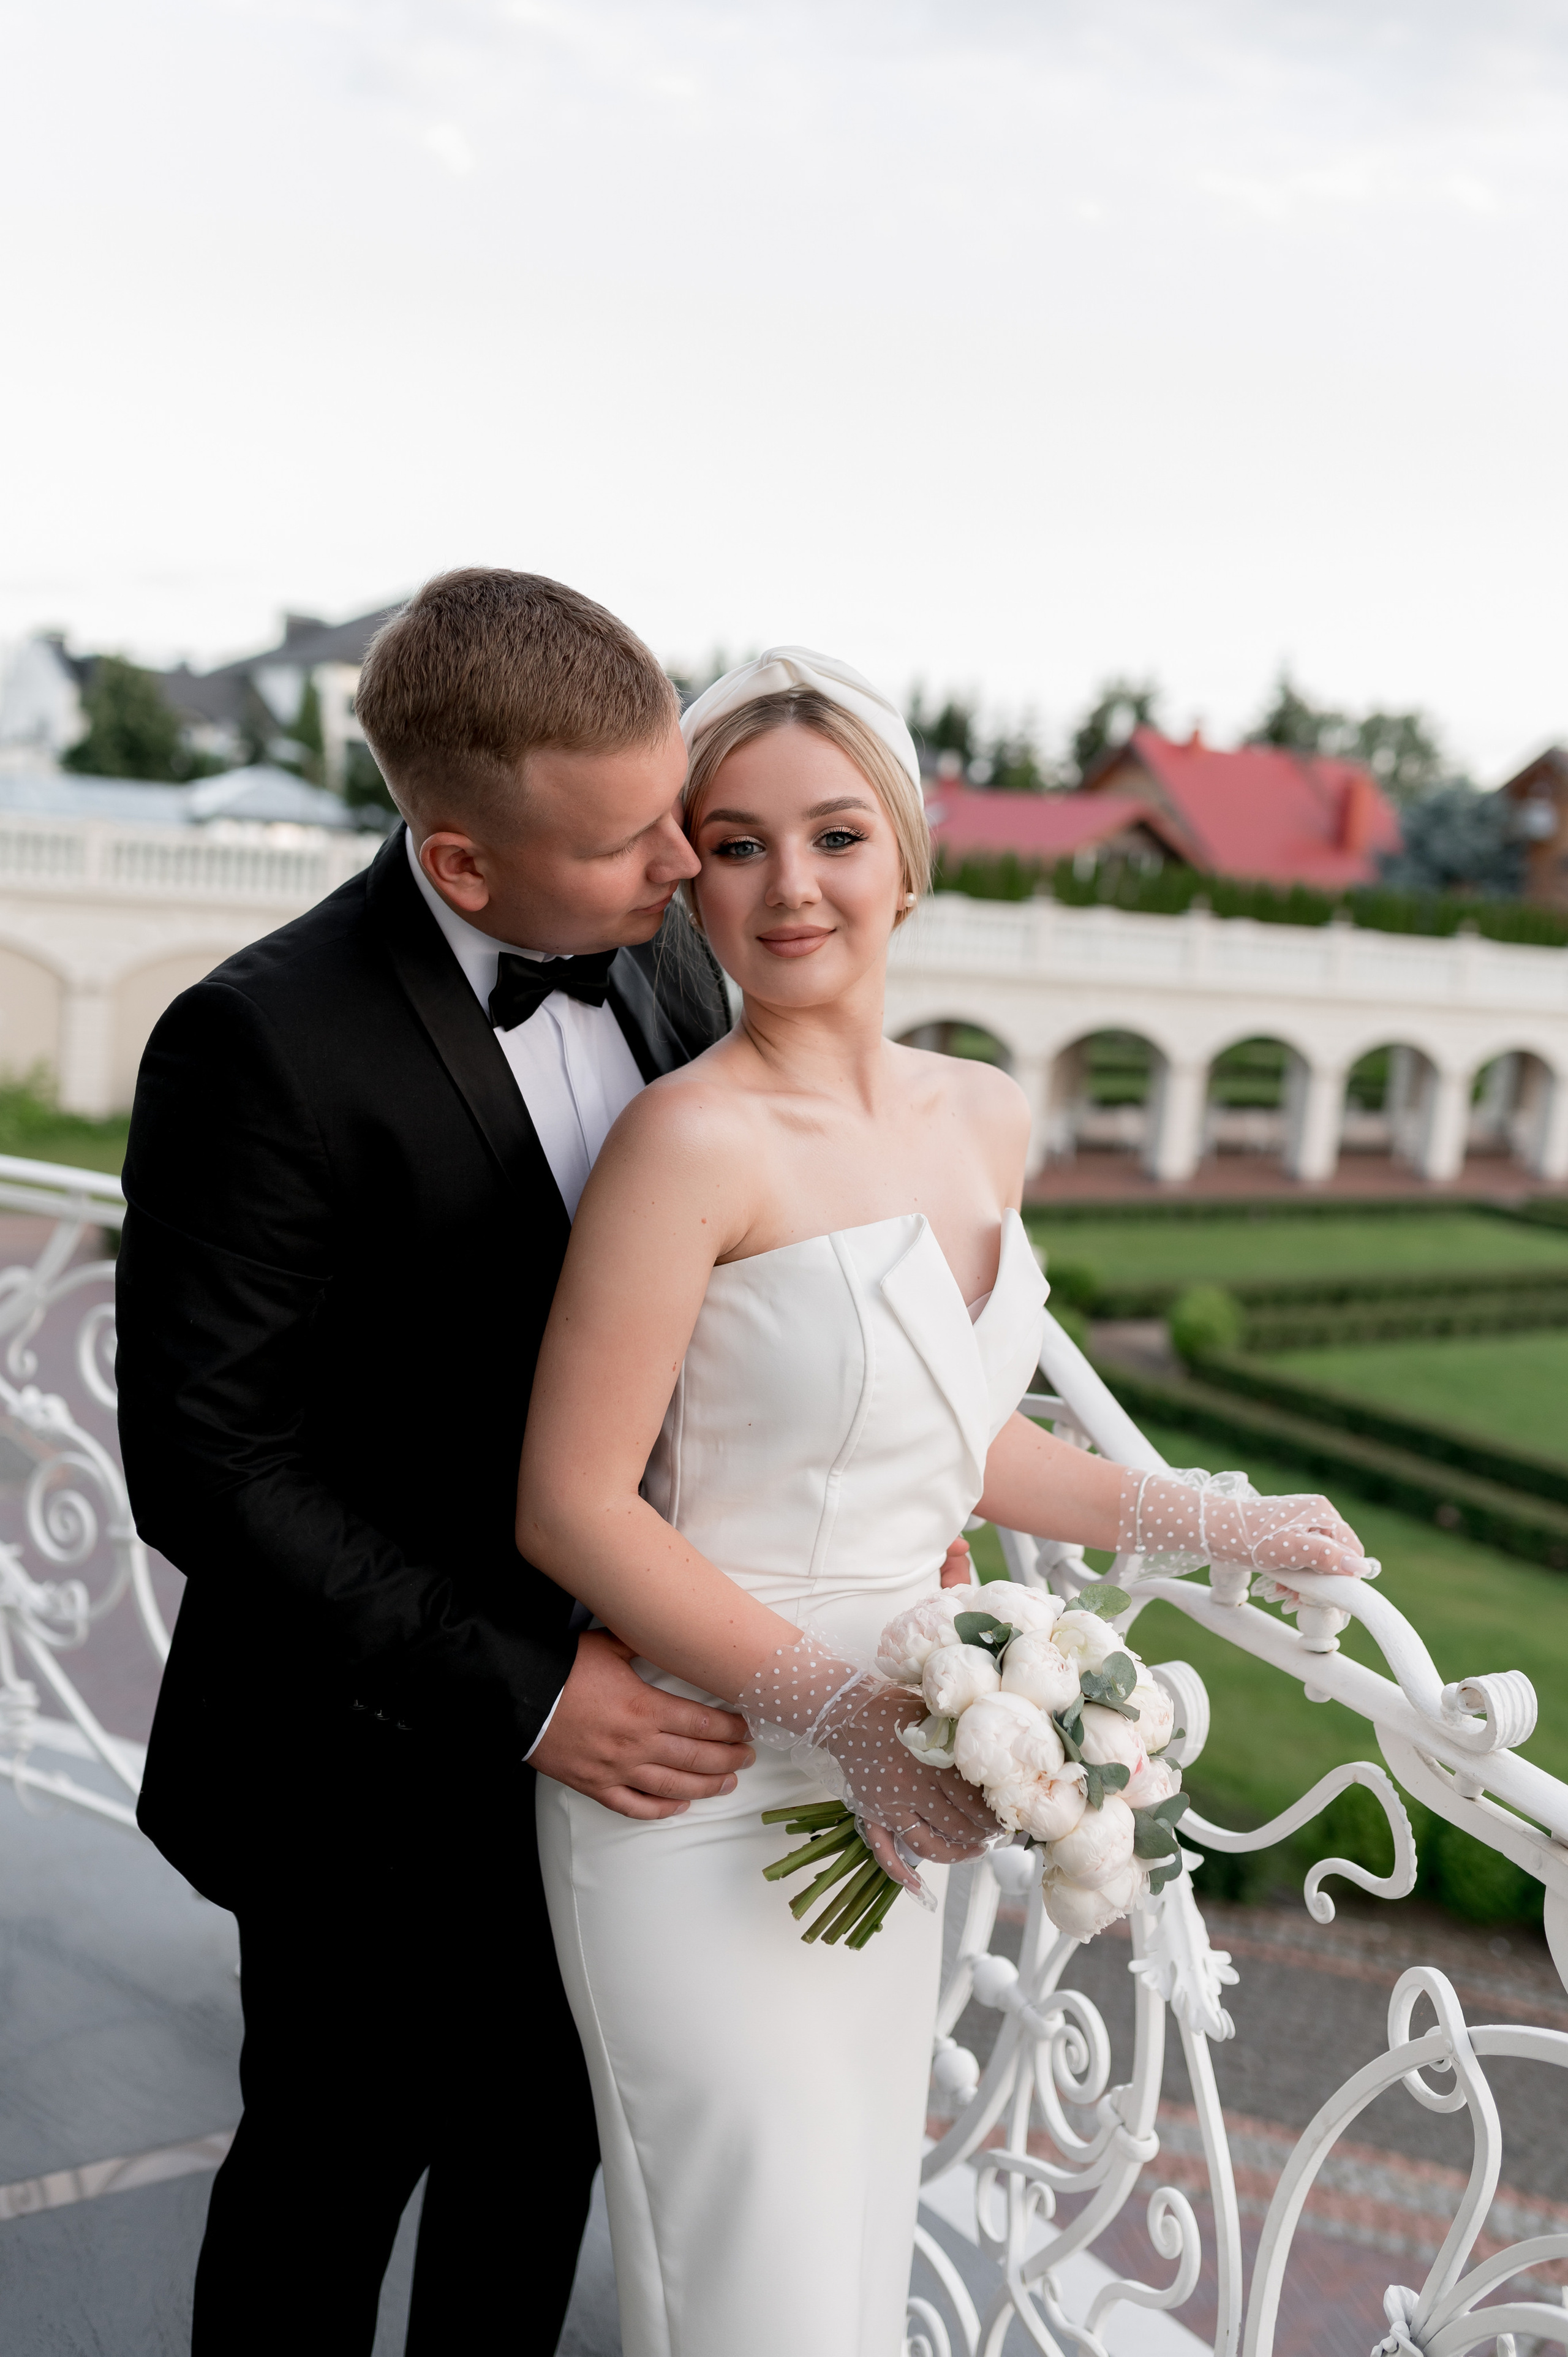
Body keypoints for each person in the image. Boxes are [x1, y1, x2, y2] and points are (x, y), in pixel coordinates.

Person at [517, 646, 1370, 2357]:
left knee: (844, 2262)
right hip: (712, 1768)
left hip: (918, 1777)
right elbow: (570, 1505)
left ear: (911, 855)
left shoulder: (986, 1116)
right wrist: (835, 1714)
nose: (790, 886)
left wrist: (1219, 1521)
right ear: (692, 875)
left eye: (836, 835)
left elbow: (957, 1441)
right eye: (736, 843)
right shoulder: (688, 1144)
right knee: (738, 2281)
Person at [113, 572, 761, 2354]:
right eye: (633, 840)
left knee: (541, 2174)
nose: (687, 867)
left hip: (635, 1760)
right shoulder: (256, 1042)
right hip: (364, 1779)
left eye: (675, 806)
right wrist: (537, 1697)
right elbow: (210, 1466)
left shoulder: (664, 949)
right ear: (463, 864)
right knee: (322, 2195)